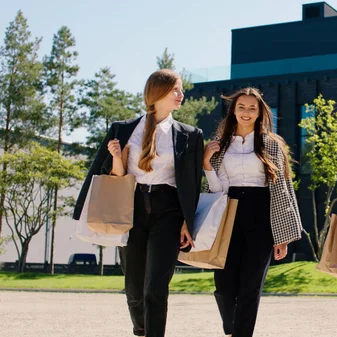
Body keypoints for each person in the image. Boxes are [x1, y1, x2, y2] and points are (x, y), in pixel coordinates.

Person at [73, 69, 203, 337]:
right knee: (133, 283)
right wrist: (118, 158)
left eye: (180, 90)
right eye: (176, 90)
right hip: (130, 207)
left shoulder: (190, 135)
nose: (181, 95)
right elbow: (113, 176)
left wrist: (186, 222)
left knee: (157, 284)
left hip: (168, 210)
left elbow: (191, 184)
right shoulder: (123, 129)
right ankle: (141, 328)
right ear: (158, 92)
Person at [203, 87, 303, 337]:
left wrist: (283, 235)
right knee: (224, 287)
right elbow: (214, 189)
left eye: (252, 108)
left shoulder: (272, 144)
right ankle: (232, 329)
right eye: (241, 107)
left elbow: (282, 189)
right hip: (228, 214)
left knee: (250, 287)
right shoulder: (219, 145)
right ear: (233, 111)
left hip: (262, 217)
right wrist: (206, 163)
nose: (246, 112)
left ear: (260, 113)